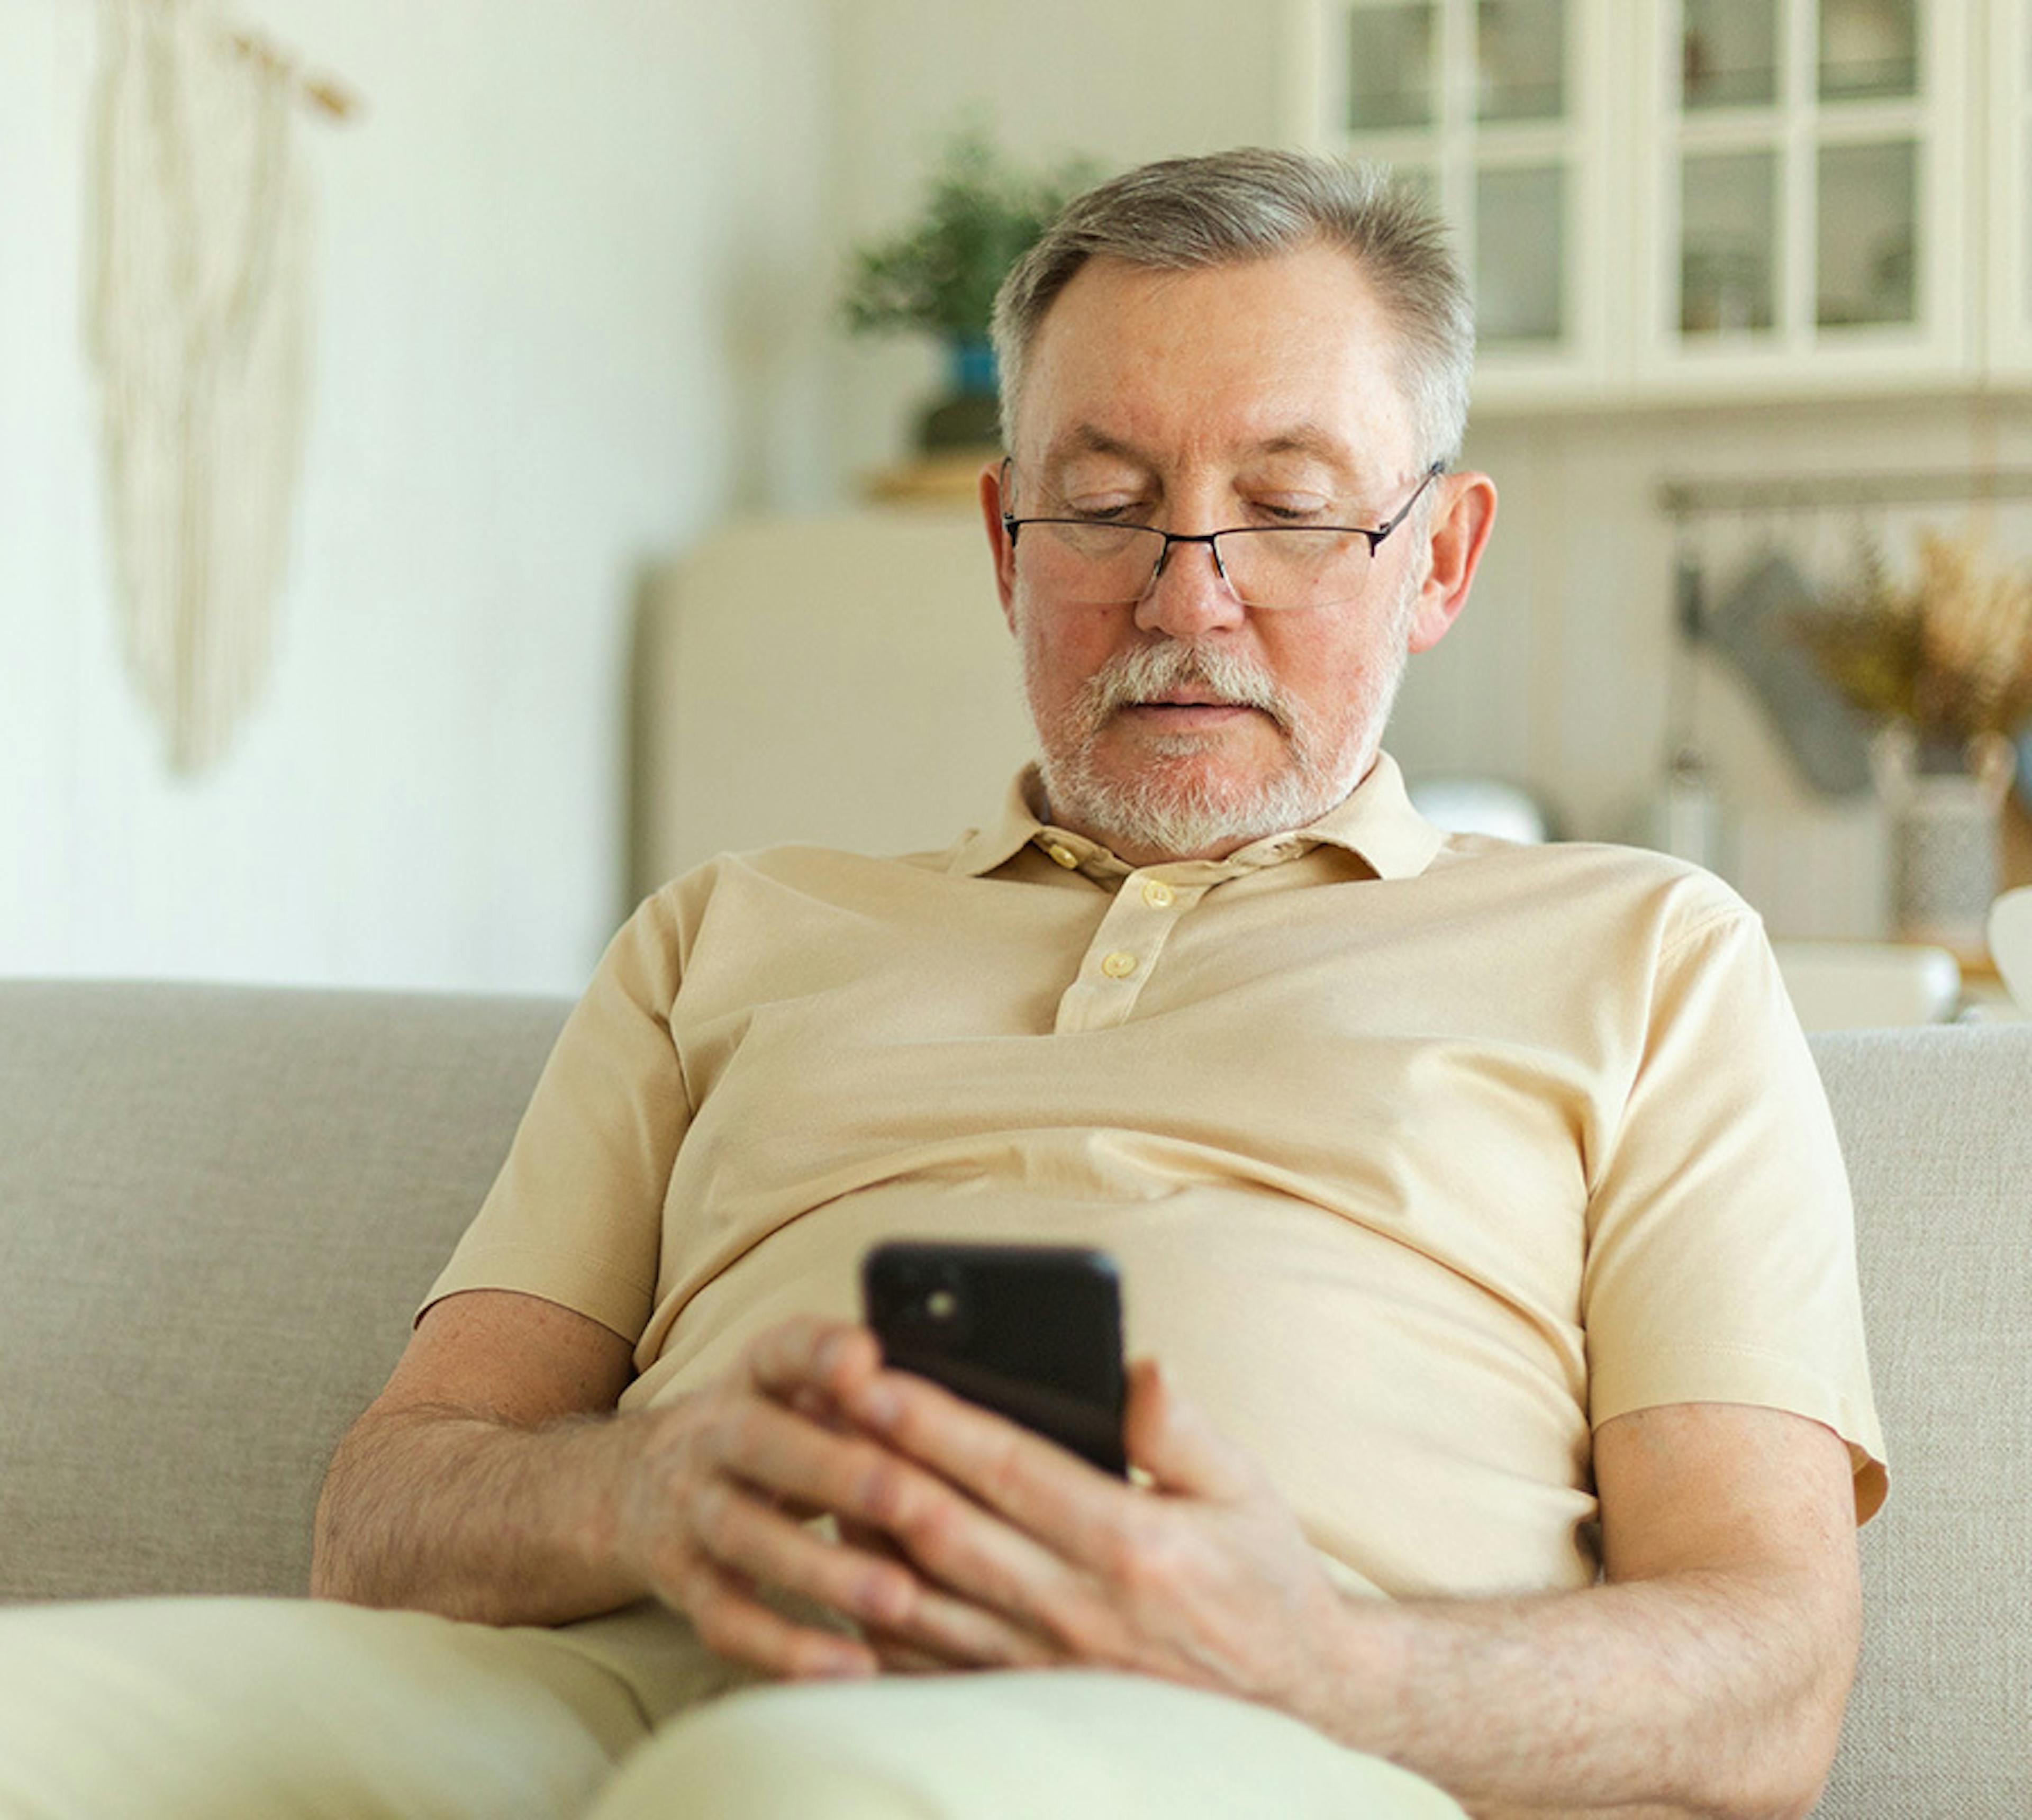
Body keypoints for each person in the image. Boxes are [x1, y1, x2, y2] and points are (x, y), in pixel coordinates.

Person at [0, 148, 1884, 1820]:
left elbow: (1771, 1683)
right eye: (1106, 501)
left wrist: (1322, 1668)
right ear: (1003, 544)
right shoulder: (724, 932)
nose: (1184, 593)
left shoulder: (1650, 953)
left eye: (1293, 505)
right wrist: (639, 1493)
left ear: (1441, 559)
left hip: (1272, 1733)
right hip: (618, 1676)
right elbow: (382, 1516)